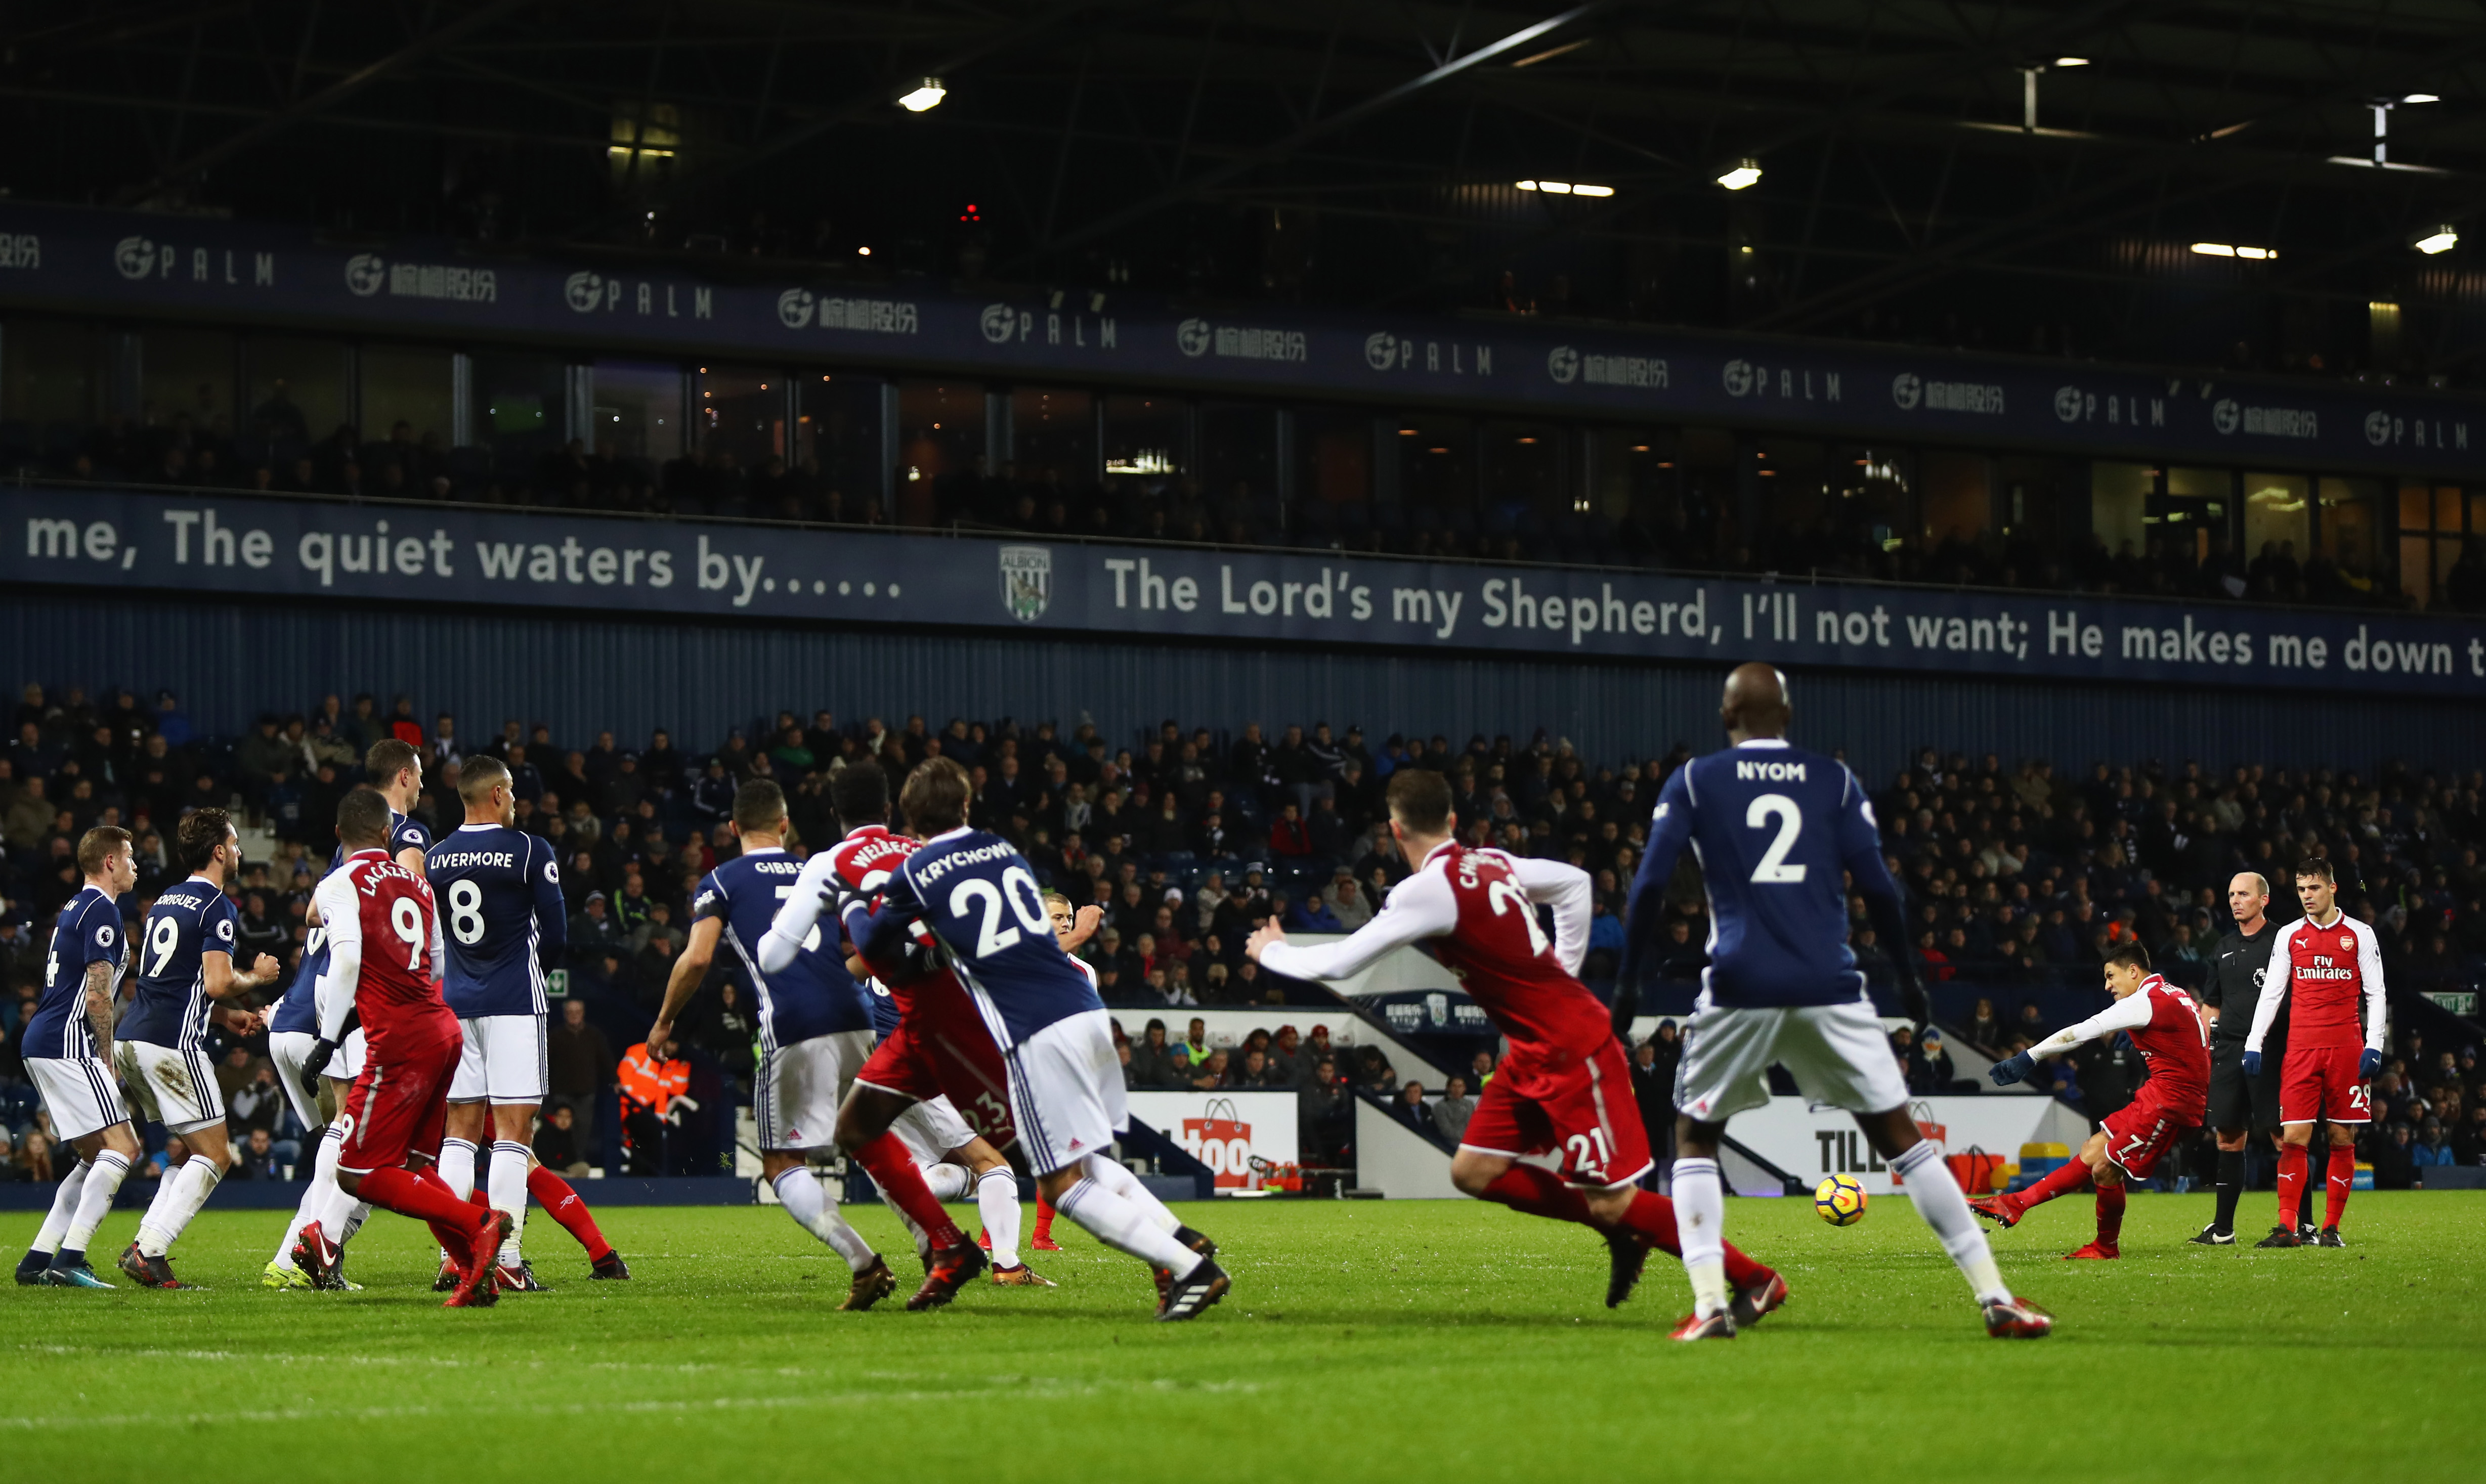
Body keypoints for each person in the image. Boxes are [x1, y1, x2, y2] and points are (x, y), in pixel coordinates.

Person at [1252, 768, 1783, 1327]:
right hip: (1533, 1048)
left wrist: (1273, 952)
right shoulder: (1491, 863)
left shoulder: (1426, 889)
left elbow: (1341, 963)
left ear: (1395, 828)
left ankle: (1754, 1278)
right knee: (1474, 1170)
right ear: (1453, 820)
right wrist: (1565, 970)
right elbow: (1576, 884)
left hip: (1573, 1047)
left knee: (1615, 1199)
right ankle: (1619, 1229)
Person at [1618, 665, 2048, 1340]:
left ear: (1726, 717)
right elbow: (1880, 887)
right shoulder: (1833, 779)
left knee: (1695, 1136)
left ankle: (1707, 1306)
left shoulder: (1696, 778)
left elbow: (1647, 886)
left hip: (1738, 984)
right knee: (1901, 1140)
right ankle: (1994, 1294)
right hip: (1830, 985)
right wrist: (1909, 980)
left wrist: (1624, 986)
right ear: (1787, 717)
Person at [852, 757, 1229, 1320]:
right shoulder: (1004, 852)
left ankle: (1190, 1268)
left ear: (910, 819)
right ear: (966, 807)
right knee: (1082, 1160)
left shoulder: (918, 870)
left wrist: (858, 907)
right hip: (1081, 1006)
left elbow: (873, 945)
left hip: (1033, 1029)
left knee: (1058, 1184)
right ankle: (1181, 1237)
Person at [764, 761, 1048, 1301]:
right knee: (874, 1132)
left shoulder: (833, 862)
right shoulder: (925, 856)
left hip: (923, 1027)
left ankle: (1172, 1252)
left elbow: (779, 955)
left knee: (1026, 1157)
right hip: (955, 1024)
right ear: (891, 811)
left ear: (834, 814)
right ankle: (956, 1249)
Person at [650, 778, 899, 1308]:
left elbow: (697, 959)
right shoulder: (822, 869)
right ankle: (942, 1243)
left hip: (792, 1025)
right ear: (786, 824)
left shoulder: (721, 879)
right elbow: (865, 946)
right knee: (875, 1138)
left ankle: (865, 1263)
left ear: (734, 828)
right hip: (857, 1015)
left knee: (783, 1164)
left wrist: (665, 1021)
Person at [289, 788, 506, 1307]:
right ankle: (475, 1268)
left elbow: (345, 962)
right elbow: (435, 962)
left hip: (401, 1041)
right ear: (388, 833)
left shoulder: (341, 882)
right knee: (412, 1166)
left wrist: (327, 1039)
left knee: (356, 1170)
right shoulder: (416, 882)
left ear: (339, 835)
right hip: (441, 1028)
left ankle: (480, 1222)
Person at [428, 755, 622, 1289]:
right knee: (515, 1132)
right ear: (495, 795)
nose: (517, 801)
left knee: (460, 1134)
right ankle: (507, 1259)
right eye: (511, 792)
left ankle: (452, 1258)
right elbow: (557, 934)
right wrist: (533, 971)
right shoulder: (530, 850)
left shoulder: (436, 858)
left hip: (456, 1003)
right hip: (515, 1001)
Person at [110, 808, 281, 1286]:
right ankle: (151, 1248)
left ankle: (145, 1244)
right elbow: (220, 980)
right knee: (218, 1155)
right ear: (220, 851)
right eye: (235, 842)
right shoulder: (216, 906)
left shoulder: (167, 899)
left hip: (134, 1039)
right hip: (171, 1046)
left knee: (193, 1151)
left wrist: (226, 1017)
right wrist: (259, 977)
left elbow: (175, 981)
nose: (241, 851)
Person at [1975, 944, 2210, 1257]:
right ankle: (2015, 1203)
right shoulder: (2173, 992)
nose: (2107, 986)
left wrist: (2029, 1056)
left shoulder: (2144, 1001)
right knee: (2093, 1149)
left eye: (2111, 976)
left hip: (2171, 1101)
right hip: (2161, 1092)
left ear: (2133, 972)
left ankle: (2105, 1247)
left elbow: (2081, 1032)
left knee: (2105, 1169)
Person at [13, 827, 142, 1287]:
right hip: (68, 1042)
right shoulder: (103, 910)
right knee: (125, 1148)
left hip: (43, 1041)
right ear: (109, 862)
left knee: (93, 1158)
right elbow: (98, 994)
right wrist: (106, 1057)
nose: (134, 865)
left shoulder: (75, 906)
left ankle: (37, 1261)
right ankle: (71, 1258)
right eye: (128, 856)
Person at [2244, 852, 2386, 1248]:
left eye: (2314, 888)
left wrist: (2375, 1044)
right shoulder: (2290, 935)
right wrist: (2254, 1043)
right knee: (2295, 1136)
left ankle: (2331, 1229)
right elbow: (2272, 993)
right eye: (2302, 889)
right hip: (2301, 1049)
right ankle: (2288, 1227)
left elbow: (2376, 993)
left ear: (2332, 887)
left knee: (2342, 1137)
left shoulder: (2360, 933)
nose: (2307, 895)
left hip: (2347, 1049)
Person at [2193, 871, 2296, 1245]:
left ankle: (2301, 1226)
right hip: (2229, 1052)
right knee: (2227, 1138)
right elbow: (2212, 1004)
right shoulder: (2222, 947)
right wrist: (2206, 1049)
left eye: (2244, 894)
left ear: (2263, 900)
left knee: (2285, 1138)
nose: (2236, 900)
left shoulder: (2283, 941)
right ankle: (2223, 1230)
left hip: (2272, 1051)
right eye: (2232, 894)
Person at [1433, 1074, 1475, 1143]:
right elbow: (1446, 1130)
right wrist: (1465, 1137)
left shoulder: (1469, 1104)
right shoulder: (1441, 1106)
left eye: (1460, 1086)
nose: (1457, 1089)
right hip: (1451, 1144)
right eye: (1454, 1086)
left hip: (1470, 1143)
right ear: (1448, 1088)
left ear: (1464, 1088)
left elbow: (1473, 1124)